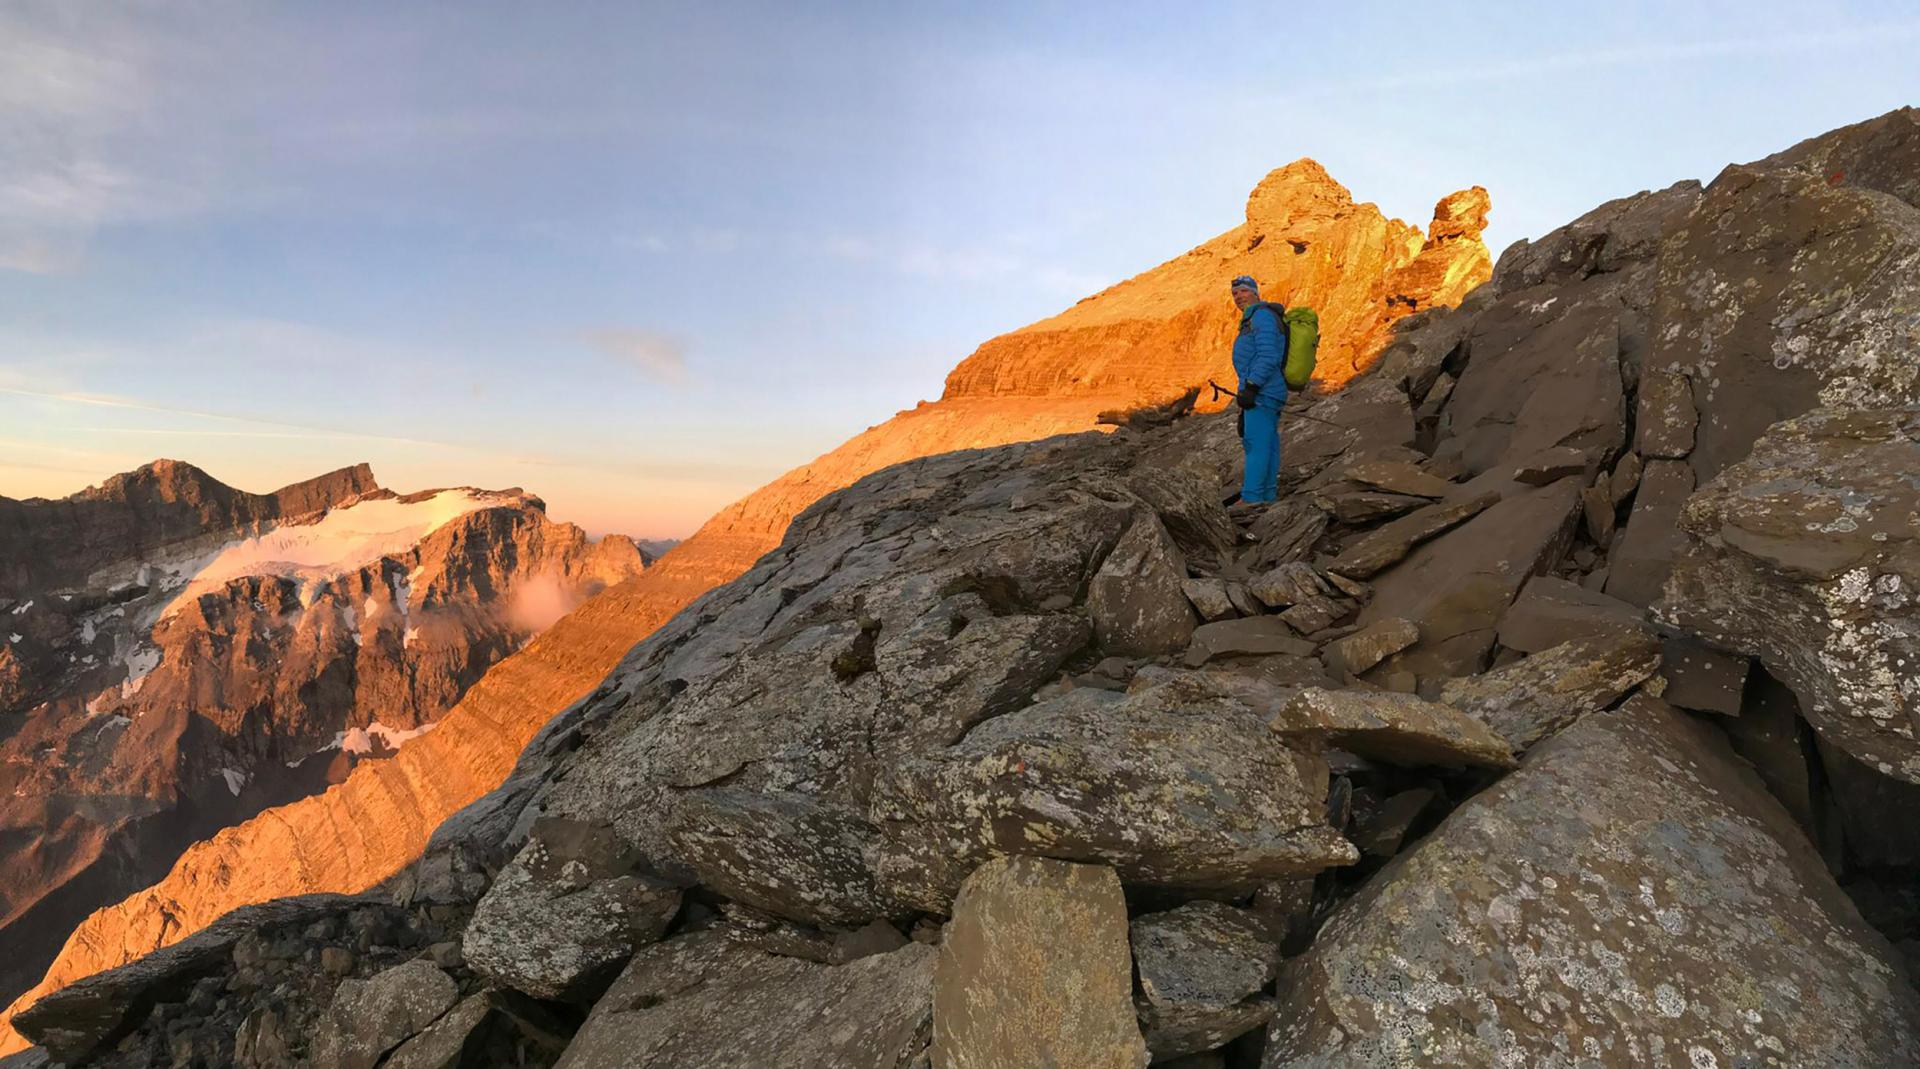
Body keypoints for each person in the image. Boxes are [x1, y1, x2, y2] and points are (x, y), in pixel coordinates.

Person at [1230, 274, 1287, 504]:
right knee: (1268, 442)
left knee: (1256, 444)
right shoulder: (1256, 317)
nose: (1238, 297)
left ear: (1255, 291)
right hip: (1269, 390)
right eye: (1234, 294)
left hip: (1263, 390)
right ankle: (1267, 496)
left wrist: (1252, 386)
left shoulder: (1261, 316)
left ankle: (1251, 499)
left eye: (1243, 291)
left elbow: (1268, 354)